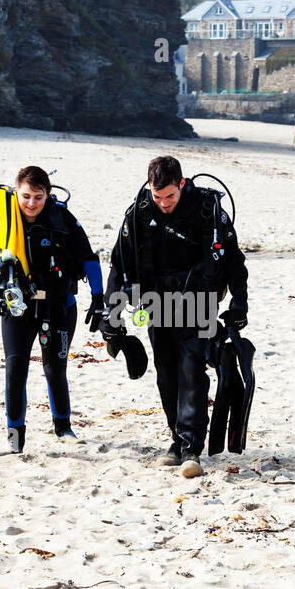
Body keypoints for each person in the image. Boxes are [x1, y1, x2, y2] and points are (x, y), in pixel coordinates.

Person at [101, 155, 249, 478]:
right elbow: (119, 264)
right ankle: (176, 440)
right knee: (166, 374)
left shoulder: (206, 211)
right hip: (156, 303)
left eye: (169, 195)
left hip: (199, 303)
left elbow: (234, 261)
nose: (164, 203)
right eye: (158, 197)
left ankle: (191, 447)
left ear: (181, 184)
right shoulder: (138, 215)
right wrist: (110, 314)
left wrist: (240, 304)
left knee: (191, 371)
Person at [0, 166, 103, 452]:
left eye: (38, 197)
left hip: (59, 307)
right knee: (15, 369)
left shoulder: (62, 219)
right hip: (17, 309)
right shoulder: (4, 223)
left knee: (55, 368)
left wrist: (98, 296)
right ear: (16, 192)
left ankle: (63, 428)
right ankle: (15, 437)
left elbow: (89, 259)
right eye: (26, 196)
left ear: (47, 195)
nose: (31, 203)